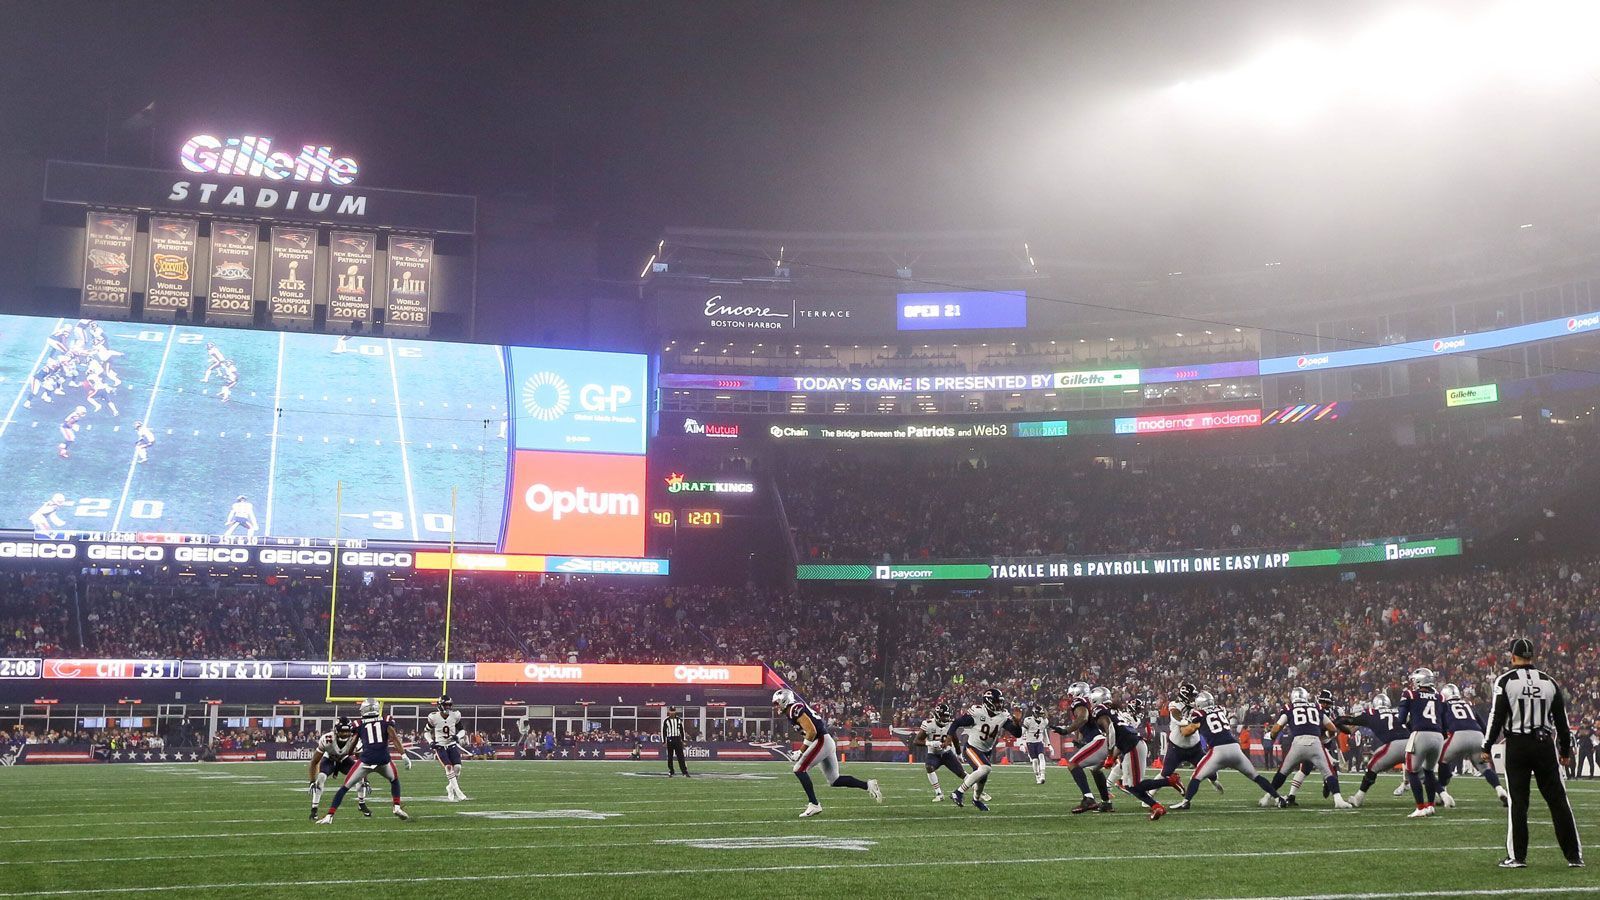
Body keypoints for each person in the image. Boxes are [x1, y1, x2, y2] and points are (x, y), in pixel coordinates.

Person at [1483, 638, 1584, 868]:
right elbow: (1562, 721)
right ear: (1532, 656)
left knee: (1518, 802)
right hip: (1544, 745)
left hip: (1517, 745)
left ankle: (1517, 857)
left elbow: (1496, 716)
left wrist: (1486, 745)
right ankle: (1574, 856)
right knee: (1558, 800)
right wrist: (1565, 750)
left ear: (1513, 656)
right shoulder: (1549, 681)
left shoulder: (1506, 680)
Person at [772, 687, 881, 817]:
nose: (776, 707)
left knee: (799, 769)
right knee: (835, 780)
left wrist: (801, 751)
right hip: (824, 741)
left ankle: (814, 804)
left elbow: (812, 731)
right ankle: (868, 785)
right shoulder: (792, 710)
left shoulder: (795, 709)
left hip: (821, 740)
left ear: (784, 700)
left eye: (777, 703)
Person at [317, 698, 411, 824]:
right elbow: (393, 737)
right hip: (383, 760)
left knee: (344, 788)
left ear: (365, 709)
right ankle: (397, 806)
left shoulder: (359, 724)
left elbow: (352, 747)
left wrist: (350, 752)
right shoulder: (386, 720)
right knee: (394, 780)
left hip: (366, 760)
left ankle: (330, 816)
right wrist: (404, 755)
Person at [1265, 687, 1352, 809]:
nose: (1326, 705)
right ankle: (1334, 797)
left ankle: (1268, 797)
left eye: (1328, 703)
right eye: (1324, 702)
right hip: (1317, 743)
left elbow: (1276, 728)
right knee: (1322, 771)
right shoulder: (1316, 709)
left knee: (1285, 771)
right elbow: (1334, 729)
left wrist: (1272, 736)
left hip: (1310, 742)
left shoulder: (1293, 708)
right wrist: (1327, 734)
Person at [945, 688, 1021, 812]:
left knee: (983, 778)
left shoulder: (1002, 715)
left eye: (1000, 702)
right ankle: (958, 792)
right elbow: (956, 723)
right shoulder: (978, 712)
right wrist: (949, 737)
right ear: (988, 702)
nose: (999, 704)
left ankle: (976, 800)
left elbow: (1017, 733)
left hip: (986, 750)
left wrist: (1017, 723)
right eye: (996, 702)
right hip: (972, 748)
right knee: (985, 768)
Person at [1436, 682, 1510, 808]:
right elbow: (1483, 725)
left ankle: (1443, 791)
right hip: (1478, 736)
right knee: (1485, 768)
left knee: (1441, 760)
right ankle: (1500, 790)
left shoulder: (1444, 705)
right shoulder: (1468, 705)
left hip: (1458, 736)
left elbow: (1442, 725)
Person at [1398, 667, 1446, 818]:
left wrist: (1411, 724)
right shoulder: (1440, 697)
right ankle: (1431, 806)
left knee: (1412, 771)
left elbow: (1401, 719)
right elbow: (1444, 721)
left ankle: (1420, 807)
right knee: (1429, 771)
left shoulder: (1410, 694)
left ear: (1420, 680)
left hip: (1420, 734)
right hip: (1438, 736)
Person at [307, 716, 370, 820]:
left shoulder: (355, 740)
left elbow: (362, 762)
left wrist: (366, 780)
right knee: (321, 778)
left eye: (347, 731)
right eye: (342, 731)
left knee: (360, 776)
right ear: (336, 730)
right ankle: (314, 810)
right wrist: (312, 781)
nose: (345, 734)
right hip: (329, 759)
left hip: (344, 760)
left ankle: (362, 803)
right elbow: (314, 762)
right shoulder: (327, 739)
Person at [425, 695, 468, 801]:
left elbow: (462, 730)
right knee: (448, 767)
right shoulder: (434, 717)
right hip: (440, 746)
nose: (448, 707)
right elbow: (426, 731)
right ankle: (458, 791)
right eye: (446, 705)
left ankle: (450, 787)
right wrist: (431, 742)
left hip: (451, 745)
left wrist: (458, 736)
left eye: (449, 705)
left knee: (457, 767)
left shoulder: (455, 716)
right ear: (440, 705)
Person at [662, 706, 690, 777]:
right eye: (671, 711)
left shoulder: (679, 720)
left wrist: (683, 740)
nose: (672, 713)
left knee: (680, 756)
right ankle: (671, 771)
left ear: (675, 712)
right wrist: (664, 741)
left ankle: (684, 772)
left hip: (677, 739)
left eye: (673, 711)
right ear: (669, 712)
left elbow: (682, 730)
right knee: (670, 756)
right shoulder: (666, 721)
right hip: (670, 739)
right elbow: (664, 732)